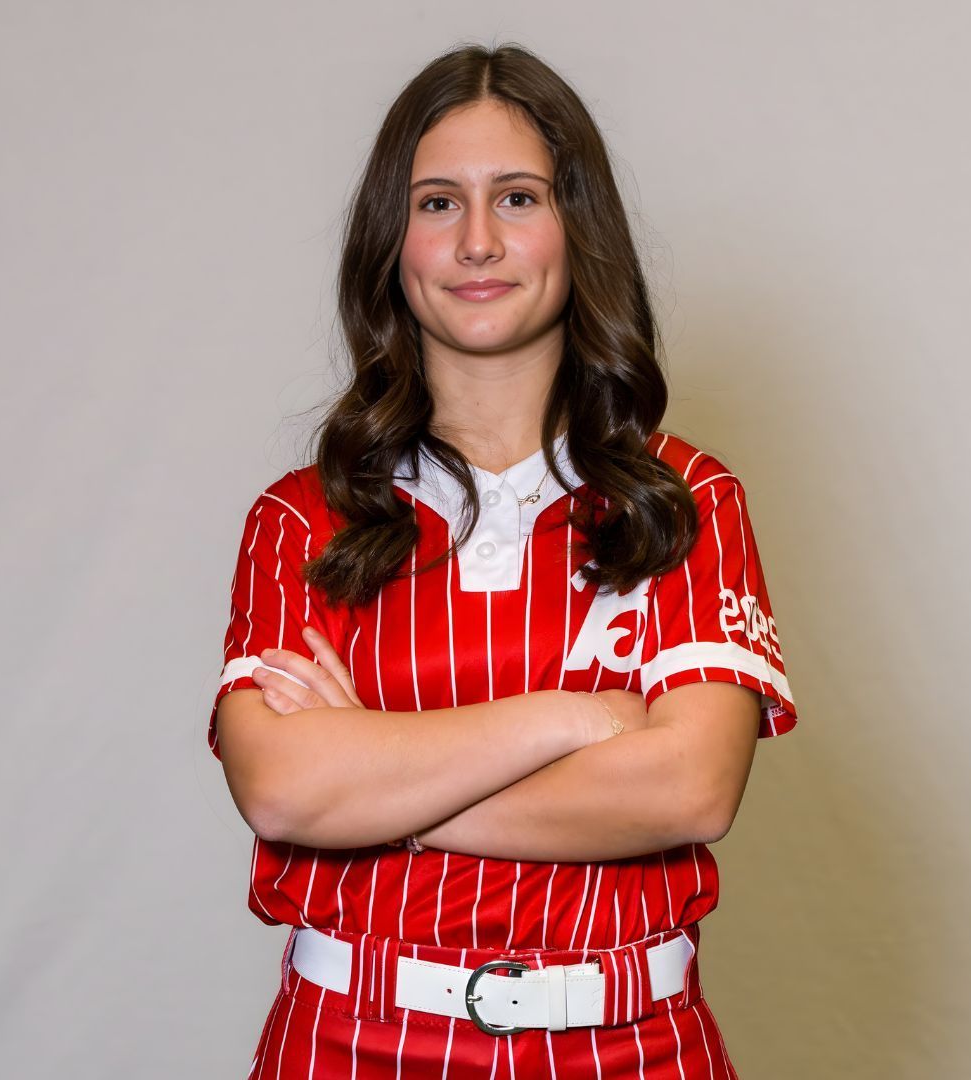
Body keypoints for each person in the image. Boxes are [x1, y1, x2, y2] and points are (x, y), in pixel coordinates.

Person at [209, 41, 798, 1079]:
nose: (477, 241)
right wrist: (573, 719)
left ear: (579, 229)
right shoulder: (302, 519)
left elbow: (690, 788)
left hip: (634, 1047)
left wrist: (379, 782)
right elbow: (287, 792)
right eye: (438, 204)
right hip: (352, 1045)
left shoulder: (686, 499)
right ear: (392, 242)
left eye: (517, 198)